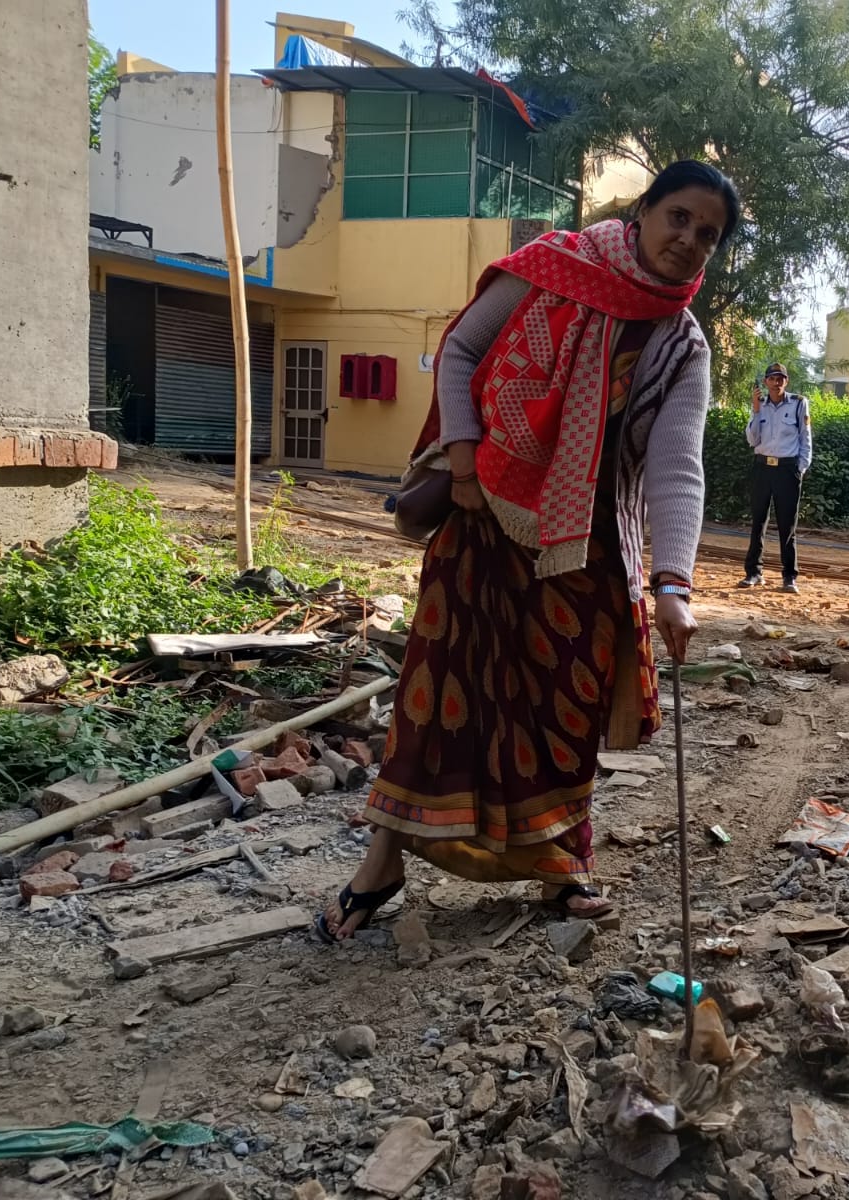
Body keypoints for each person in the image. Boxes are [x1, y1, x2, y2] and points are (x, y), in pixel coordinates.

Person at [317, 161, 741, 939]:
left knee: (564, 712)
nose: (688, 240)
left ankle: (561, 864)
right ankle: (381, 864)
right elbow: (459, 352)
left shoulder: (682, 345)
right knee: (439, 696)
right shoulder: (553, 268)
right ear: (644, 212)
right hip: (483, 517)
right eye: (678, 217)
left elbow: (677, 464)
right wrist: (465, 462)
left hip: (586, 549)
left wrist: (673, 585)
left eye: (706, 235)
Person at [738, 362, 812, 593]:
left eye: (780, 378)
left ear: (786, 381)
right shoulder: (760, 405)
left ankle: (789, 577)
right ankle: (753, 573)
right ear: (766, 381)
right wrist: (755, 410)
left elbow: (805, 437)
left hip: (787, 470)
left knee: (787, 525)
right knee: (758, 521)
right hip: (762, 468)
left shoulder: (798, 403)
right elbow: (752, 440)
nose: (776, 382)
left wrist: (801, 468)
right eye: (772, 378)